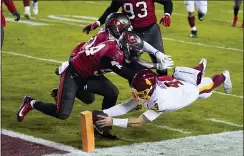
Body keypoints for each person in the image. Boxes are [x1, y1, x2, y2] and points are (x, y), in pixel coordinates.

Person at [16, 31, 171, 123]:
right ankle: (31, 102)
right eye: (134, 51)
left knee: (108, 93)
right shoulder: (111, 55)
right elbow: (129, 72)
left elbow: (134, 62)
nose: (137, 54)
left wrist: (157, 63)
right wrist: (156, 68)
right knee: (62, 114)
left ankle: (102, 123)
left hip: (89, 75)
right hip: (73, 75)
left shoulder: (118, 46)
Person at [51, 13, 173, 103]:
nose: (129, 30)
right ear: (117, 28)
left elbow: (135, 42)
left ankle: (65, 89)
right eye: (126, 27)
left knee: (92, 98)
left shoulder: (112, 35)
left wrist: (157, 53)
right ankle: (66, 82)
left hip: (90, 63)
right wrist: (155, 66)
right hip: (81, 65)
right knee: (89, 99)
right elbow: (129, 64)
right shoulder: (109, 42)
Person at [93, 58, 232, 129]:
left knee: (209, 89)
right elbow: (125, 106)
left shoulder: (161, 101)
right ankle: (199, 69)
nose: (137, 95)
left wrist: (113, 121)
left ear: (150, 89)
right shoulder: (147, 89)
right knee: (191, 77)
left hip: (189, 91)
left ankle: (225, 76)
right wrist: (104, 112)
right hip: (175, 84)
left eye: (140, 92)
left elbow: (139, 122)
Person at [82, 0, 173, 75]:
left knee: (162, 62)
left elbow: (167, 2)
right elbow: (112, 8)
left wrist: (167, 14)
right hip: (132, 33)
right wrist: (98, 22)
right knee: (132, 63)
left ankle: (164, 86)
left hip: (152, 31)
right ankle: (138, 91)